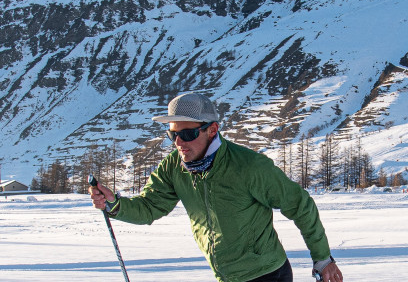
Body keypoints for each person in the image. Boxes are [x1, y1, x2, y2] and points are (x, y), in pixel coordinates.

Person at [90, 92, 343, 282]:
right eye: (172, 134)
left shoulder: (248, 167)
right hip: (225, 277)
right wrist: (115, 204)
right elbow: (149, 207)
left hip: (266, 274)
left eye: (187, 134)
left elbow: (299, 204)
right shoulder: (174, 167)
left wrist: (322, 259)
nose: (178, 142)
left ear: (212, 130)